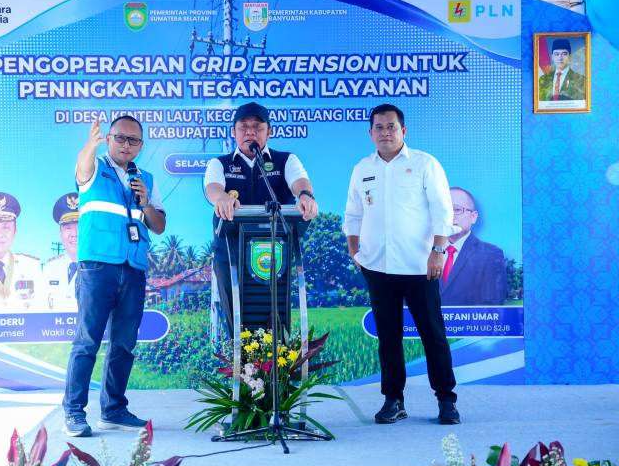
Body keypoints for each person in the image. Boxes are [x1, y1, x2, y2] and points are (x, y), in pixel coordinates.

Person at [343, 103, 460, 425]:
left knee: (432, 334)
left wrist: (438, 250)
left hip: (420, 265)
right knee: (388, 337)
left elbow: (442, 210)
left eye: (391, 126)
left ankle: (446, 400)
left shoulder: (424, 164)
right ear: (370, 133)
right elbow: (353, 212)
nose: (385, 133)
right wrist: (354, 250)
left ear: (403, 130)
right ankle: (393, 400)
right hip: (377, 267)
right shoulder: (362, 168)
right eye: (379, 127)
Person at [62, 115, 166, 437]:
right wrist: (89, 147)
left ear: (141, 146)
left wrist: (145, 202)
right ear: (108, 139)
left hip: (133, 268)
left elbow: (159, 226)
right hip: (97, 266)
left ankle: (114, 410)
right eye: (120, 138)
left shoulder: (146, 178)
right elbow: (82, 168)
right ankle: (74, 412)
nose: (126, 145)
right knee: (87, 341)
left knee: (124, 344)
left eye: (133, 140)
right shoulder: (94, 167)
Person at [203, 101, 318, 335]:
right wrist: (222, 198)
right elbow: (212, 188)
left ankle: (278, 357)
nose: (250, 132)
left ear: (269, 131)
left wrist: (305, 195)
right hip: (230, 252)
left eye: (257, 127)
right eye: (243, 127)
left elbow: (299, 181)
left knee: (274, 320)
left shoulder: (286, 160)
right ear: (233, 131)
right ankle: (240, 358)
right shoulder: (220, 163)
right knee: (237, 320)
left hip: (274, 252)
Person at [439, 187, 508, 306]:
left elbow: (492, 307)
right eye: (445, 209)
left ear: (473, 217)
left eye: (457, 209)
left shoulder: (491, 255)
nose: (450, 215)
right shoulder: (422, 253)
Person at [43, 192, 80, 311]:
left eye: (79, 227)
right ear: (60, 233)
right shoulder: (49, 268)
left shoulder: (102, 268)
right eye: (68, 228)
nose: (74, 234)